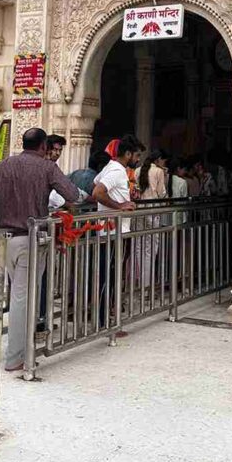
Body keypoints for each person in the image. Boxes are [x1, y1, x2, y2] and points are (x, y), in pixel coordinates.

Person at [0, 127, 80, 371]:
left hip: (4, 239)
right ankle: (15, 357)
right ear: (43, 145)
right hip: (30, 239)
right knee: (22, 299)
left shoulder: (3, 166)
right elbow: (72, 194)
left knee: (9, 295)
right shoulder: (47, 168)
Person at [92, 135, 143, 328]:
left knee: (109, 275)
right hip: (113, 231)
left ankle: (104, 317)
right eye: (136, 155)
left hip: (112, 230)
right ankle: (103, 320)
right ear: (128, 154)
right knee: (108, 276)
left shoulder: (111, 167)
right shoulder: (117, 170)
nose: (138, 159)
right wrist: (118, 206)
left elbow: (95, 182)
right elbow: (97, 192)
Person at [135, 150, 168, 288]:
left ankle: (140, 283)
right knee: (151, 248)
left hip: (139, 210)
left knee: (138, 246)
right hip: (153, 211)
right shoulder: (158, 171)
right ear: (158, 159)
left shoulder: (137, 171)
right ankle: (147, 285)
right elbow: (162, 193)